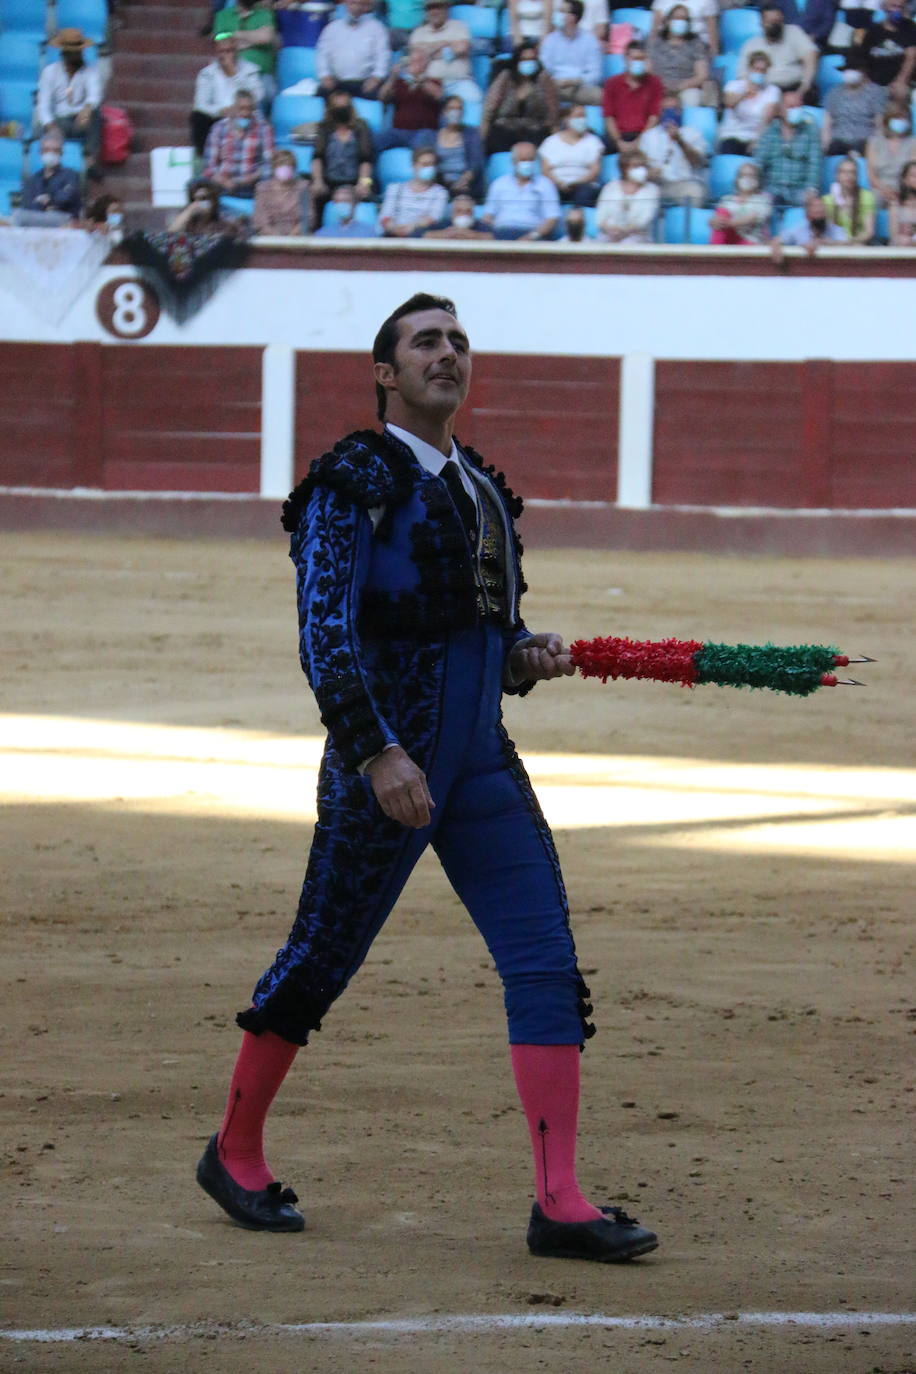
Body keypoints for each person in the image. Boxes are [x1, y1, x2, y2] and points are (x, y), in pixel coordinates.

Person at [195, 291, 660, 1267]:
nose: (446, 354)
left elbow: (478, 631)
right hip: (388, 764)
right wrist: (373, 751)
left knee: (544, 962)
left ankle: (559, 1200)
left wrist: (521, 654)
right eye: (424, 342)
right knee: (323, 953)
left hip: (480, 760)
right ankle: (232, 1148)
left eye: (457, 341)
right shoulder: (350, 478)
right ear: (384, 371)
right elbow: (324, 631)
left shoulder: (481, 487)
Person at [191, 36, 264, 159]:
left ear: (236, 51)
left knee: (257, 116)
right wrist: (220, 110)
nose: (226, 55)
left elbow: (258, 95)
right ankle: (206, 158)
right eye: (222, 51)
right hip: (218, 115)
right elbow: (200, 103)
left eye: (229, 51)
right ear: (216, 53)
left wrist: (234, 74)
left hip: (244, 112)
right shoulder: (207, 73)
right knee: (198, 117)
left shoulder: (250, 70)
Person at [36, 28, 102, 161]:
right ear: (64, 53)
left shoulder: (91, 71)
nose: (77, 55)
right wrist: (51, 126)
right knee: (49, 131)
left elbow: (95, 94)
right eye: (73, 53)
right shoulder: (49, 72)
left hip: (82, 118)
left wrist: (87, 108)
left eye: (79, 52)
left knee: (96, 115)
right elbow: (43, 106)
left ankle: (90, 161)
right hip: (60, 121)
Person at [481, 43, 559, 154]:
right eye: (524, 59)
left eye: (532, 59)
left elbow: (552, 116)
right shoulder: (505, 78)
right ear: (517, 61)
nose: (529, 63)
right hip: (504, 131)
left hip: (535, 132)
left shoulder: (544, 80)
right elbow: (489, 110)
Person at [310, 91, 376, 216]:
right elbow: (317, 157)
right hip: (329, 181)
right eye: (337, 106)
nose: (341, 109)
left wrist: (364, 184)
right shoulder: (324, 127)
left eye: (344, 106)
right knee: (314, 195)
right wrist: (318, 181)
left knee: (366, 195)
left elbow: (366, 159)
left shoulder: (361, 126)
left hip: (355, 181)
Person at [755, 87, 822, 206]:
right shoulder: (770, 131)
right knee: (761, 203)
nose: (795, 110)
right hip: (773, 187)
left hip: (800, 189)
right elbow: (760, 161)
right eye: (790, 107)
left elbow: (815, 163)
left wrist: (811, 189)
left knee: (813, 204)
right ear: (781, 110)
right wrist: (758, 188)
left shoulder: (810, 131)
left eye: (798, 107)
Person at [480, 140, 562, 238]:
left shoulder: (545, 185)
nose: (527, 163)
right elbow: (488, 216)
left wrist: (532, 236)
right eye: (523, 160)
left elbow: (552, 218)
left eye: (530, 160)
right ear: (514, 161)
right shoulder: (499, 184)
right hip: (501, 233)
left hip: (532, 234)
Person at [203, 87, 274, 197]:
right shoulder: (219, 128)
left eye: (249, 109)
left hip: (251, 184)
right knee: (196, 185)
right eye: (241, 108)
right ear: (233, 108)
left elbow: (268, 165)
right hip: (222, 183)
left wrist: (244, 180)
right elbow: (209, 164)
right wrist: (223, 181)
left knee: (268, 183)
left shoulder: (263, 128)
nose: (245, 113)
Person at [638, 93, 708, 204]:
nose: (670, 113)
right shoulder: (649, 136)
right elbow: (640, 165)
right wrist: (650, 172)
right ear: (660, 112)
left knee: (695, 193)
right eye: (666, 110)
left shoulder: (693, 133)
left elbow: (697, 162)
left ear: (681, 111)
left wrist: (679, 140)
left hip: (682, 183)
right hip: (656, 184)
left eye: (674, 109)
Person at [408, 0, 481, 104]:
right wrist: (446, 44)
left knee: (475, 98)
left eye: (438, 7)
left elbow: (462, 48)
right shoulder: (418, 33)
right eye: (430, 8)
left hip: (459, 82)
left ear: (446, 8)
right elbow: (416, 55)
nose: (434, 11)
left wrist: (428, 52)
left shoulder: (458, 27)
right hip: (429, 82)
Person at [316, 0, 391, 100]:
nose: (357, 7)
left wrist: (376, 78)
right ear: (346, 3)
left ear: (366, 6)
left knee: (380, 95)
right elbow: (322, 54)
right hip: (338, 82)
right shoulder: (332, 28)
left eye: (361, 4)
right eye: (353, 3)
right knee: (321, 94)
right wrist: (325, 76)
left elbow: (383, 55)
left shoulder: (377, 28)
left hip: (365, 83)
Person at [737, 5, 817, 97]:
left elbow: (811, 56)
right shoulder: (751, 45)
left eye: (777, 21)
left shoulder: (794, 32)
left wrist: (802, 90)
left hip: (794, 88)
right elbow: (742, 76)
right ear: (761, 23)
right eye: (770, 22)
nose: (774, 25)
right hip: (764, 92)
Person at [416, 95, 485, 199]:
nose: (456, 112)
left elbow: (475, 162)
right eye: (452, 108)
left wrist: (463, 181)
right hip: (438, 183)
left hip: (464, 186)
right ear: (444, 112)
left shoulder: (472, 134)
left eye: (459, 109)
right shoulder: (431, 136)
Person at [646, 4, 714, 109]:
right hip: (658, 86)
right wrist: (662, 87)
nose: (681, 22)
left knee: (693, 98)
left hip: (686, 87)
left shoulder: (696, 43)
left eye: (685, 19)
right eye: (677, 18)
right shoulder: (655, 42)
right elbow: (648, 71)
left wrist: (681, 86)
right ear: (668, 21)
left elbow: (702, 75)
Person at [538, 0, 604, 105]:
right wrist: (556, 82)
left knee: (603, 97)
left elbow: (595, 74)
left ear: (573, 17)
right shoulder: (550, 40)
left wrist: (574, 81)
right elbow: (544, 67)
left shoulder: (590, 41)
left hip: (581, 87)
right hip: (556, 86)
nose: (557, 14)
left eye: (562, 11)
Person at [822, 53, 888, 157]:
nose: (849, 73)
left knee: (860, 149)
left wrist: (878, 146)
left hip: (864, 140)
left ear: (863, 71)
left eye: (854, 70)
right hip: (838, 140)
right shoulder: (834, 92)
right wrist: (825, 145)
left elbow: (879, 123)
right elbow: (827, 123)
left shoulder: (876, 92)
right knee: (833, 150)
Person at [537, 103, 605, 205]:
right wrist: (560, 183)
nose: (582, 119)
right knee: (547, 193)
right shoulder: (550, 142)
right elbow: (545, 171)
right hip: (556, 184)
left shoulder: (593, 141)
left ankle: (578, 216)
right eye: (578, 116)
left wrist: (576, 183)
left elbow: (594, 172)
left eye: (584, 116)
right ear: (566, 119)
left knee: (585, 193)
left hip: (584, 185)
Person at [602, 41, 664, 151]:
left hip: (644, 136)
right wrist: (618, 141)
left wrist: (639, 142)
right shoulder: (612, 84)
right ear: (625, 59)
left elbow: (654, 117)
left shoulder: (655, 83)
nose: (638, 62)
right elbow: (609, 117)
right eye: (634, 58)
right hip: (618, 135)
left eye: (641, 59)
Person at [213, 0, 278, 103]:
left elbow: (265, 37)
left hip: (261, 74)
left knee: (268, 93)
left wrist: (235, 34)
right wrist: (254, 38)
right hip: (229, 74)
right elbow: (219, 39)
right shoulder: (223, 15)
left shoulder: (265, 14)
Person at [718, 51, 780, 155]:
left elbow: (767, 119)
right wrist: (744, 93)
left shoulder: (772, 91)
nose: (759, 73)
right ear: (750, 68)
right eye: (756, 69)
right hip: (732, 135)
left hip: (755, 137)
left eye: (763, 70)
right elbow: (729, 103)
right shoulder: (734, 85)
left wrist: (758, 140)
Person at [379, 145, 449, 235]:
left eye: (432, 164)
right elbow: (385, 215)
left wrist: (413, 227)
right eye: (425, 164)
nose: (430, 168)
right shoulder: (395, 188)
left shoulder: (440, 192)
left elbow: (435, 218)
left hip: (421, 235)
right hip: (393, 233)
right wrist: (393, 228)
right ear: (414, 166)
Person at [595, 146, 660, 241]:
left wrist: (623, 231)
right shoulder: (610, 187)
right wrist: (610, 230)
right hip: (609, 234)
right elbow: (600, 217)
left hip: (638, 237)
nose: (641, 170)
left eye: (643, 166)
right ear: (624, 168)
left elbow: (645, 220)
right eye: (636, 166)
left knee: (629, 243)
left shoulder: (652, 190)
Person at [20, 129, 82, 221]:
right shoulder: (32, 180)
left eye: (55, 150)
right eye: (47, 150)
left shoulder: (71, 175)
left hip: (63, 224)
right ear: (40, 152)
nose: (51, 154)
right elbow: (27, 205)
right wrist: (49, 205)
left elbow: (66, 198)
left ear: (61, 153)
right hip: (36, 224)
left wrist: (48, 200)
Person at [857, 3, 916, 97]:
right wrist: (865, 79)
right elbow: (862, 58)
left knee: (901, 92)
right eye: (894, 6)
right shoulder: (873, 31)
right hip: (874, 81)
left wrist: (901, 80)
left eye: (900, 7)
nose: (897, 10)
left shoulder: (910, 27)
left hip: (899, 81)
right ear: (885, 7)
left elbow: (911, 56)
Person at [772, 188, 849, 259]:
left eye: (821, 212)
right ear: (807, 216)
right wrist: (776, 247)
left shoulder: (835, 230)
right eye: (816, 213)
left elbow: (846, 244)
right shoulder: (799, 229)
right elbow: (778, 239)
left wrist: (823, 242)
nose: (819, 214)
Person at [709, 160, 773, 242]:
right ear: (737, 179)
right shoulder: (727, 199)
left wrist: (728, 224)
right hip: (727, 238)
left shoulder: (763, 200)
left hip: (750, 242)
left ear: (758, 180)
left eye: (751, 176)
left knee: (722, 223)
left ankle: (714, 252)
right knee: (722, 213)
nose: (747, 179)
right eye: (743, 175)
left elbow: (753, 218)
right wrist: (712, 222)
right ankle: (715, 252)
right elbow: (717, 219)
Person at [866, 101, 916, 203]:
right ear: (888, 119)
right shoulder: (874, 142)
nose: (901, 121)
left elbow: (912, 172)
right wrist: (884, 189)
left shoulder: (913, 143)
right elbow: (871, 175)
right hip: (879, 188)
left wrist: (899, 191)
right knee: (870, 200)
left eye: (904, 118)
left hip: (904, 188)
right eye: (897, 118)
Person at [253, 147, 310, 234]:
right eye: (280, 165)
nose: (284, 169)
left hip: (297, 239)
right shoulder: (262, 188)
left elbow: (307, 218)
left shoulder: (303, 187)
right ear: (274, 168)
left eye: (288, 166)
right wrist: (276, 237)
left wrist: (291, 237)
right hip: (268, 239)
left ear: (294, 168)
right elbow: (260, 220)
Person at [823, 154, 876, 242]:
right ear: (837, 175)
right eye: (844, 172)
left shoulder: (867, 197)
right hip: (834, 246)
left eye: (852, 172)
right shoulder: (827, 200)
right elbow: (828, 232)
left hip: (857, 245)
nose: (848, 176)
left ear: (857, 176)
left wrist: (850, 242)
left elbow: (869, 232)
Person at [649, 0, 718, 58]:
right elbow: (654, 30)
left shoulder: (707, 1)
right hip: (666, 42)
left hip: (696, 45)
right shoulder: (661, 1)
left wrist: (713, 55)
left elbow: (713, 33)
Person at [168, 178, 239, 232]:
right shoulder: (185, 221)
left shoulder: (225, 223)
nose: (199, 203)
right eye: (194, 199)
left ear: (213, 200)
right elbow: (171, 233)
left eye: (204, 199)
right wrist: (189, 212)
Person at [421, 189, 496, 237]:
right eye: (459, 211)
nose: (463, 214)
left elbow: (494, 237)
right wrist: (445, 234)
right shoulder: (444, 224)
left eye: (468, 211)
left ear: (473, 213)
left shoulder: (480, 226)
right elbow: (423, 234)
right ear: (452, 213)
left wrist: (473, 235)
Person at [889, 157, 916, 241]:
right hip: (901, 248)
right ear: (904, 179)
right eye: (913, 176)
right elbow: (893, 235)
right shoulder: (895, 204)